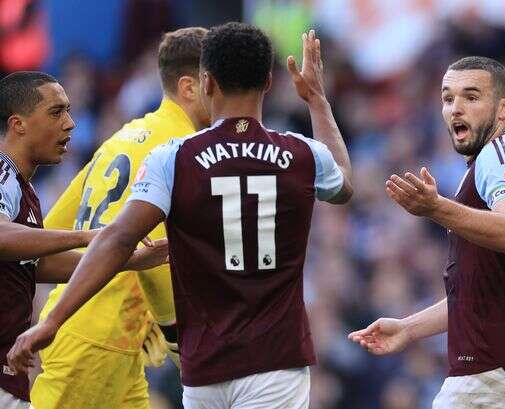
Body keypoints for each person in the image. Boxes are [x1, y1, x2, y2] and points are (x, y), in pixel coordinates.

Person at [8, 23, 353, 408]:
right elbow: (146, 255)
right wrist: (174, 337)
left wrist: (60, 308)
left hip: (128, 348)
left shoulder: (133, 141)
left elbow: (51, 238)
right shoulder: (282, 153)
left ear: (209, 82)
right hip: (113, 341)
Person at [349, 56, 505, 408]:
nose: (456, 108)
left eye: (471, 97)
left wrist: (435, 208)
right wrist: (409, 328)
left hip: (495, 374)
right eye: (448, 98)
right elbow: (482, 293)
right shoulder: (493, 161)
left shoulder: (499, 155)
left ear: (504, 109)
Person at [30, 27, 210, 409]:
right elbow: (156, 253)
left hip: (102, 338)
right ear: (191, 87)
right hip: (97, 344)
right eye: (219, 83)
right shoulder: (183, 151)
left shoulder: (122, 137)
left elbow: (52, 229)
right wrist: (179, 342)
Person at [0, 71, 167, 409]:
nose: (70, 124)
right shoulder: (2, 173)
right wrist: (88, 236)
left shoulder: (24, 189)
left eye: (69, 111)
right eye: (56, 112)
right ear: (18, 124)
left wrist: (126, 259)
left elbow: (37, 264)